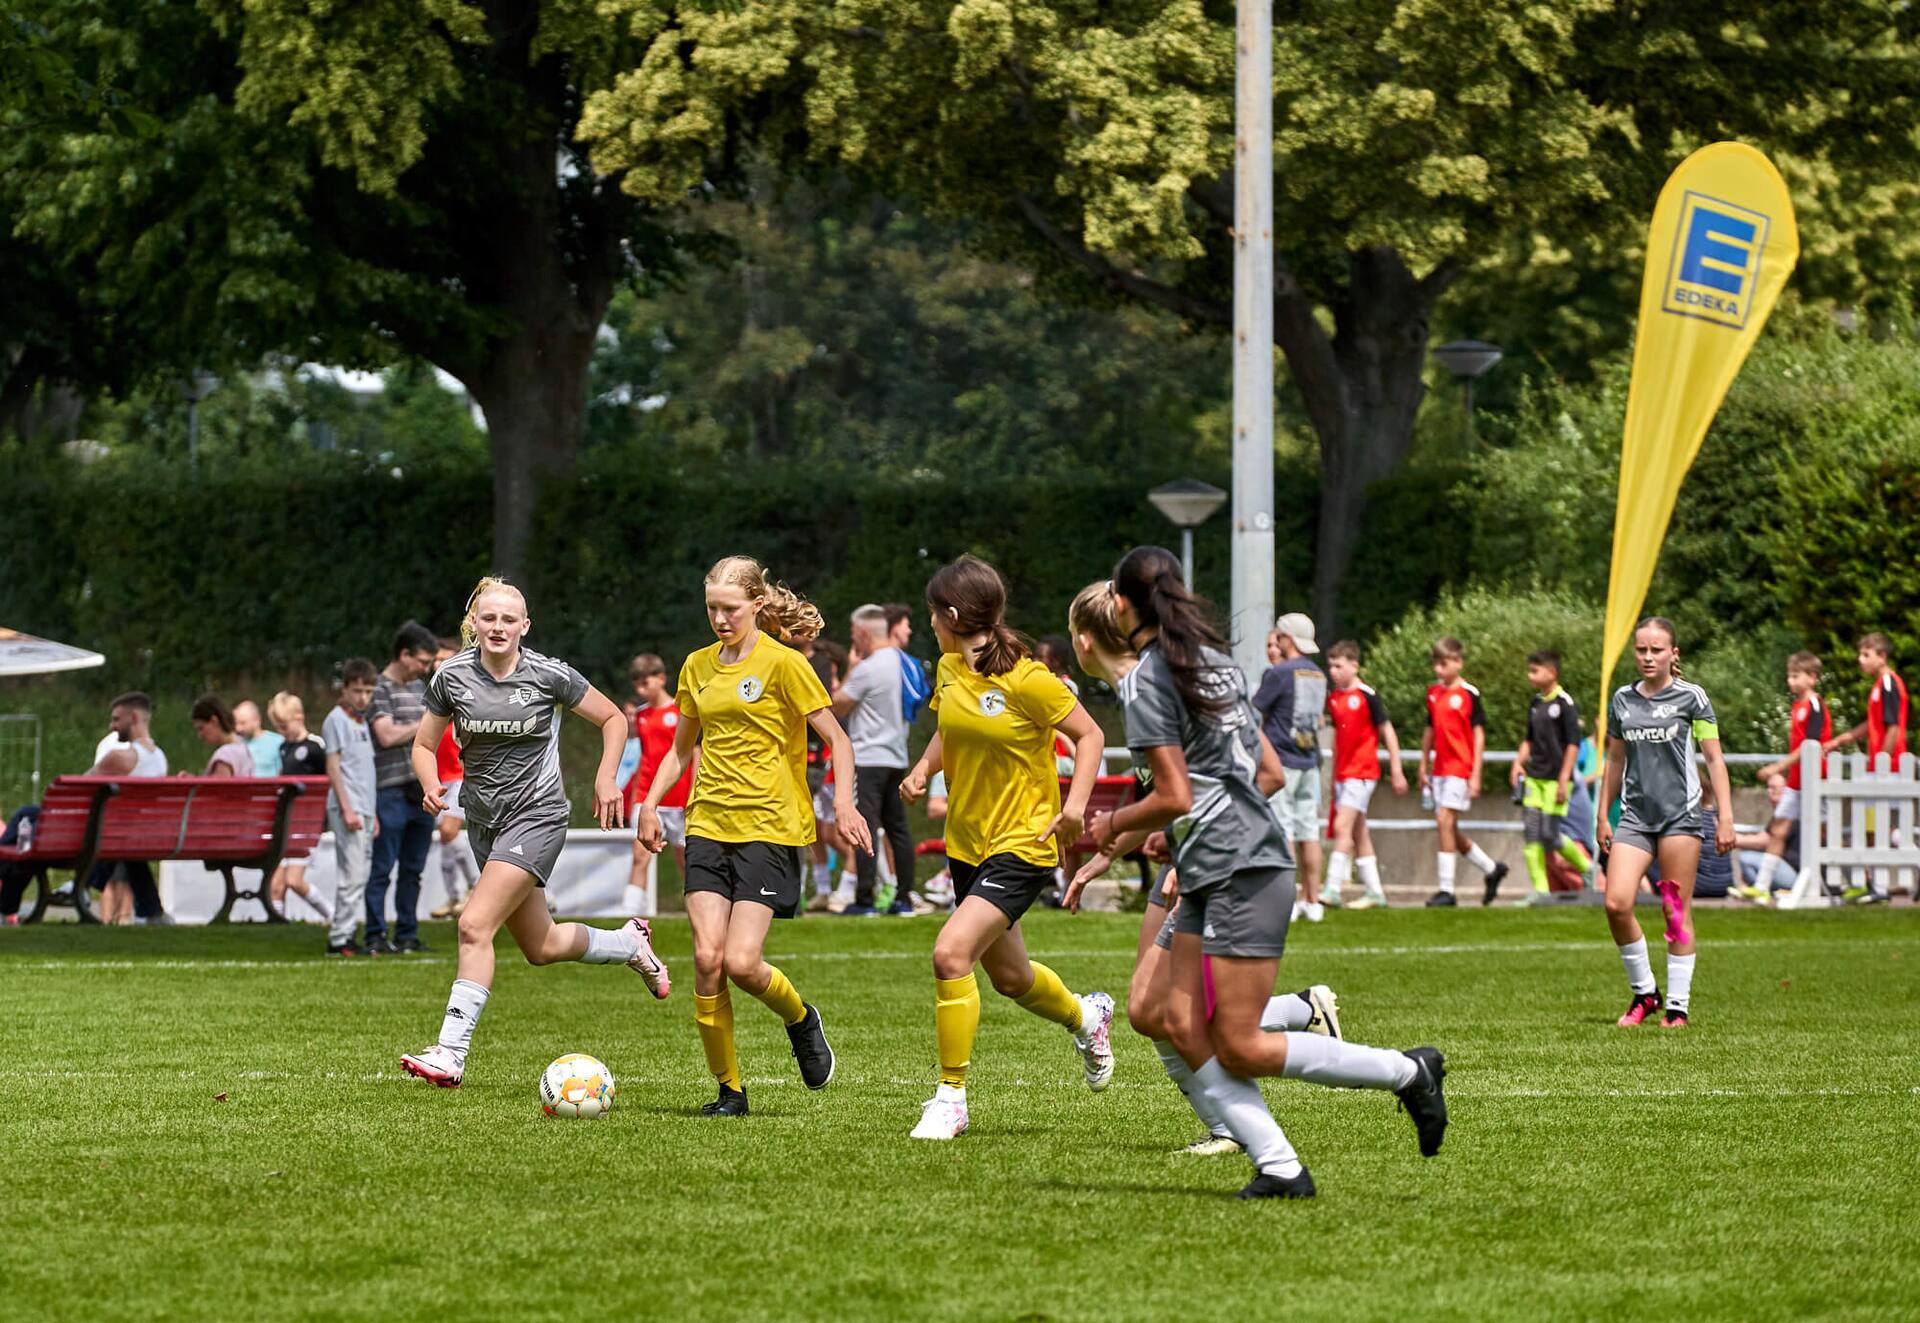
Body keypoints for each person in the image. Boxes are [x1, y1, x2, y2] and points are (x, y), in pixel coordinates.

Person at [1080, 547, 1447, 1199]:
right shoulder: (1215, 664)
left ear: (1123, 604)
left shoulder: (1145, 682)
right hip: (1215, 862)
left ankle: (1406, 1071)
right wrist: (1176, 835)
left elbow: (1175, 793)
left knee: (1240, 1042)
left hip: (1242, 866)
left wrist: (1106, 827)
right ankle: (1280, 1168)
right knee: (1176, 1021)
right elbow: (1243, 773)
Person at [1065, 580, 1339, 1160]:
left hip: (1213, 868)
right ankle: (1298, 1019)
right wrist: (1105, 856)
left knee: (1168, 1009)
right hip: (1188, 864)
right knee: (1153, 1009)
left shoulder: (1161, 692)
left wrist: (1193, 851)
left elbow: (1261, 776)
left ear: (1085, 642)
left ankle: (1250, 1124)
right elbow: (1163, 797)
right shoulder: (1140, 694)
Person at [399, 578, 671, 1088]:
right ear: (474, 624)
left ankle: (450, 1054)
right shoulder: (451, 677)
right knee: (541, 946)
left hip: (538, 815)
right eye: (489, 618)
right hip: (484, 822)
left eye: (509, 619)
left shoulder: (548, 674)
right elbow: (422, 745)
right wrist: (432, 782)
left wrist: (607, 777)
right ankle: (630, 944)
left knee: (473, 925)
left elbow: (614, 718)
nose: (498, 627)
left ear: (525, 626)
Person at [635, 556, 871, 1117]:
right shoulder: (695, 666)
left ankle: (799, 1017)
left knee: (743, 964)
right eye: (712, 607)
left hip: (769, 826)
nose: (719, 618)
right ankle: (730, 1090)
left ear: (757, 606)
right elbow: (680, 751)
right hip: (708, 824)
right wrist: (648, 803)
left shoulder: (785, 664)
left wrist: (841, 803)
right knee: (706, 957)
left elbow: (838, 740)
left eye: (730, 608)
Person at [895, 557, 1112, 1141]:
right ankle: (1087, 1017)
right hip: (968, 844)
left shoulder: (1029, 678)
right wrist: (922, 769)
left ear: (953, 614)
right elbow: (948, 731)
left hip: (1023, 844)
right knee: (1012, 979)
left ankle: (951, 1098)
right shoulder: (947, 669)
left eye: (932, 613)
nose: (928, 623)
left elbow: (1089, 736)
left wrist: (1074, 809)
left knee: (949, 955)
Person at [1598, 617, 1736, 1029]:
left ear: (1673, 654)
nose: (1647, 657)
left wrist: (1726, 818)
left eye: (1656, 650)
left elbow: (1714, 759)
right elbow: (1614, 760)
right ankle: (1646, 994)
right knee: (1616, 902)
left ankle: (1677, 1006)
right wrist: (1603, 815)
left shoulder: (1693, 698)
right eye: (1641, 649)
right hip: (1636, 817)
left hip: (1681, 816)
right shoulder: (1622, 699)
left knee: (1674, 910)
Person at [836, 605, 918, 916]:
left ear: (863, 633)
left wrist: (849, 668)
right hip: (897, 756)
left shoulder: (868, 668)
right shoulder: (904, 663)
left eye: (854, 634)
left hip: (867, 758)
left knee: (865, 826)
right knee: (898, 829)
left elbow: (837, 706)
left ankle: (865, 898)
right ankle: (904, 897)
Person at [366, 620, 440, 954]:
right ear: (403, 654)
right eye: (422, 661)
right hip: (390, 790)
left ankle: (407, 932)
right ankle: (376, 934)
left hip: (419, 791)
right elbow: (386, 736)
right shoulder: (377, 689)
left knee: (413, 870)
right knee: (382, 868)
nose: (425, 668)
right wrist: (426, 725)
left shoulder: (418, 689)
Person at [1420, 636, 1509, 906]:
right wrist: (1424, 763)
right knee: (1449, 828)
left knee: (1444, 821)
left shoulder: (1469, 694)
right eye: (1436, 663)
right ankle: (1492, 869)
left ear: (1458, 662)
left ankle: (1447, 890)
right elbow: (1429, 731)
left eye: (1443, 663)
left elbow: (1478, 735)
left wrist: (1476, 772)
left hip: (1460, 767)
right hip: (1440, 769)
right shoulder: (1433, 694)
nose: (1438, 669)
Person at [1321, 640, 1407, 910]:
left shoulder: (1368, 695)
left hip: (1362, 772)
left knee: (1342, 827)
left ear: (1354, 666)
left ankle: (1332, 888)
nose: (1333, 671)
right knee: (1359, 832)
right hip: (1344, 773)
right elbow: (1338, 738)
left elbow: (1388, 732)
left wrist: (1396, 768)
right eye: (1331, 666)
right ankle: (1375, 892)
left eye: (1339, 666)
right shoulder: (1334, 698)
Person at [1823, 632, 1909, 903]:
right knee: (1873, 828)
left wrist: (1882, 761)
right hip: (1881, 765)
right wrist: (1844, 738)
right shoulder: (1879, 686)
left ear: (1881, 657)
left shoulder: (1887, 684)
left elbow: (1894, 727)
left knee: (1879, 827)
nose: (1860, 660)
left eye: (1865, 655)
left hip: (1888, 766)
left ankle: (1882, 883)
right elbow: (1875, 724)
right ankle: (1876, 886)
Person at [1253, 612, 1327, 922]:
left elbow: (1254, 713)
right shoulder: (1317, 674)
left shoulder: (1280, 674)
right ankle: (1314, 899)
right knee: (1309, 832)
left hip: (1282, 762)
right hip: (1309, 761)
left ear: (1288, 639)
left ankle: (1289, 898)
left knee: (1284, 830)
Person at [1506, 651, 1596, 906]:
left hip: (1556, 781)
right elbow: (1529, 739)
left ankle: (1586, 867)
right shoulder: (1535, 703)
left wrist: (1564, 778)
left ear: (1552, 673)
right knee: (1532, 834)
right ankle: (1541, 891)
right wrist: (1517, 763)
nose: (1530, 675)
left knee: (1551, 835)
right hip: (1534, 779)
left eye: (1535, 671)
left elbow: (1572, 745)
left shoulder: (1565, 704)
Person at [1749, 652, 1829, 900]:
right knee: (1778, 828)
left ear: (1812, 678)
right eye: (1789, 676)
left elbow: (1809, 746)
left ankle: (1848, 880)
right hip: (1796, 782)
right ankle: (1761, 887)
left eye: (1796, 676)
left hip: (1816, 781)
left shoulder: (1815, 705)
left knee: (1825, 833)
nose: (1791, 681)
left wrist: (1777, 767)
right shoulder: (1797, 706)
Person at [89, 692, 173, 924]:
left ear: (134, 718)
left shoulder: (120, 757)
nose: (112, 725)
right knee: (125, 847)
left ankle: (75, 888)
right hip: (142, 832)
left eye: (116, 719)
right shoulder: (161, 758)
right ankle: (153, 911)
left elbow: (78, 788)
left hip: (106, 831)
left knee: (26, 815)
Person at [622, 653, 694, 915]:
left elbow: (693, 754)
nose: (641, 689)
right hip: (648, 797)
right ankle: (631, 916)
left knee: (685, 860)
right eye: (637, 684)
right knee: (640, 856)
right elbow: (641, 757)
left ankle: (696, 909)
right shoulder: (640, 716)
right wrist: (633, 800)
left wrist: (693, 793)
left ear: (661, 678)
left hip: (679, 798)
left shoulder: (682, 711)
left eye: (646, 682)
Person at [323, 660, 380, 957]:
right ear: (345, 689)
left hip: (365, 807)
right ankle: (339, 937)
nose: (362, 697)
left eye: (368, 691)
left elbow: (364, 771)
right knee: (352, 875)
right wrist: (347, 808)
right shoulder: (336, 719)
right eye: (357, 690)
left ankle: (346, 932)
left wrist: (374, 813)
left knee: (361, 874)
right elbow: (334, 766)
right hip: (349, 806)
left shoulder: (361, 720)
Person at [265, 691, 333, 924]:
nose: (282, 731)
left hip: (308, 823)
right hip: (287, 822)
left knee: (293, 881)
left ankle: (333, 916)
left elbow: (332, 779)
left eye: (284, 725)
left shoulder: (316, 746)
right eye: (278, 727)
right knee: (276, 886)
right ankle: (280, 927)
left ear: (299, 717)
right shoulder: (283, 748)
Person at [192, 695, 255, 777]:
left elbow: (219, 789)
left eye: (201, 728)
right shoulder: (244, 748)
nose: (200, 735)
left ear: (214, 721)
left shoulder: (224, 756)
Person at [234, 700, 285, 776]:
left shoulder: (278, 742)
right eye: (236, 723)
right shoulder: (233, 745)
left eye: (243, 723)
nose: (238, 728)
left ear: (256, 720)